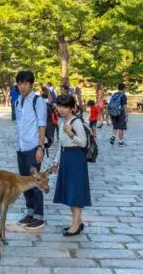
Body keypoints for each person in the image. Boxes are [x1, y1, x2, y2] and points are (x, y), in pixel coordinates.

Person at [48, 93, 90, 236]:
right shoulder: (62, 122)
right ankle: (77, 221)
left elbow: (83, 142)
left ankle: (76, 224)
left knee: (75, 193)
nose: (62, 109)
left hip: (76, 158)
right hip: (66, 157)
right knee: (70, 192)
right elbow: (61, 145)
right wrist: (56, 161)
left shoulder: (76, 122)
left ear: (72, 108)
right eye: (60, 106)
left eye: (65, 107)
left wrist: (70, 133)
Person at [13, 70, 48, 231]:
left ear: (30, 84)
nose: (22, 87)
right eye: (19, 83)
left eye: (25, 83)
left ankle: (39, 216)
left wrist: (40, 147)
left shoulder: (37, 101)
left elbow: (42, 125)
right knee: (24, 182)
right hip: (21, 147)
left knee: (35, 182)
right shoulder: (18, 101)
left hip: (33, 146)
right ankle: (30, 211)